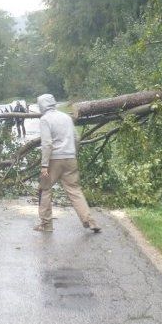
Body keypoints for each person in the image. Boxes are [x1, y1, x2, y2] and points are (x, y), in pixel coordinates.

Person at [35, 93, 100, 233]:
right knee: (74, 190)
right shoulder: (66, 117)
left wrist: (44, 165)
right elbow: (76, 138)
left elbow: (47, 144)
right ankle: (90, 220)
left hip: (54, 160)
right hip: (71, 158)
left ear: (42, 105)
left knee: (45, 189)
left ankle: (46, 225)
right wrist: (72, 153)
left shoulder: (45, 119)